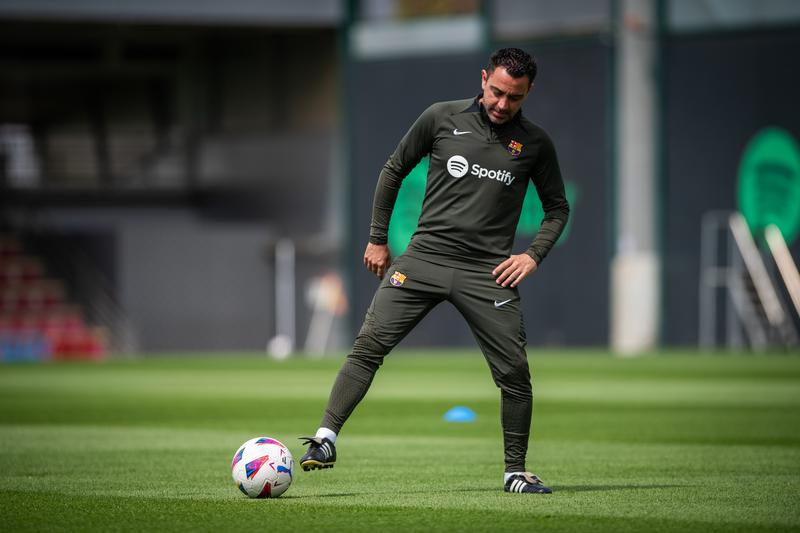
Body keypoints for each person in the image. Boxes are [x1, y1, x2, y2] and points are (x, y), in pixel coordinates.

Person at [300, 48, 570, 494]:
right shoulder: (441, 117)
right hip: (423, 259)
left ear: (528, 93)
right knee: (368, 346)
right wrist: (376, 237)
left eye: (515, 98)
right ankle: (325, 440)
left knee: (515, 375)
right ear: (484, 78)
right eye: (497, 92)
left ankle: (514, 472)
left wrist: (532, 255)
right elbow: (393, 170)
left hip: (487, 273)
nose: (503, 104)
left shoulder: (535, 143)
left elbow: (557, 208)